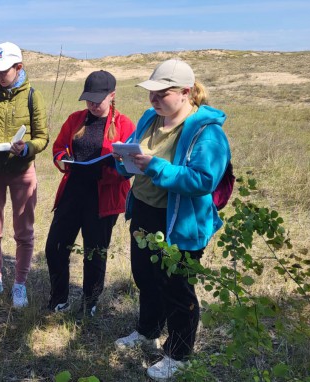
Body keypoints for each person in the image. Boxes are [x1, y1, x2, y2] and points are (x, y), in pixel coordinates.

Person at [112, 59, 231, 381]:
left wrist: (153, 166)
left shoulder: (207, 132)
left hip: (181, 221)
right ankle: (147, 331)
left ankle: (179, 354)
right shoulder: (151, 117)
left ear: (186, 92)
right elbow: (136, 157)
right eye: (151, 92)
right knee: (145, 277)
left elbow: (203, 180)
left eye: (162, 93)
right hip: (145, 211)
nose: (153, 99)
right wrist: (123, 161)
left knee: (176, 288)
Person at [45, 71, 134, 316]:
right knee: (55, 246)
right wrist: (63, 160)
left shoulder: (125, 125)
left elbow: (129, 167)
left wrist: (106, 170)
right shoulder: (76, 119)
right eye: (89, 99)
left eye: (98, 99)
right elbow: (59, 147)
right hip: (72, 192)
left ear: (112, 95)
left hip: (103, 198)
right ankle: (59, 298)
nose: (93, 104)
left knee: (94, 253)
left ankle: (89, 303)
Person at [0, 42, 48, 308]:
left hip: (21, 170)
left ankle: (20, 284)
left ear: (19, 67)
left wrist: (26, 148)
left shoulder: (32, 96)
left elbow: (42, 137)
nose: (0, 75)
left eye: (5, 70)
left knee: (23, 231)